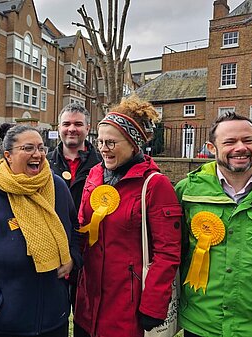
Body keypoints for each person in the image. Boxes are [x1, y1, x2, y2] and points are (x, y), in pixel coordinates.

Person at [0, 125, 81, 337]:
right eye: (28, 148)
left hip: (53, 318)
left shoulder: (57, 187)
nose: (37, 154)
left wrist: (73, 258)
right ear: (8, 156)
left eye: (41, 148)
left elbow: (75, 229)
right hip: (2, 324)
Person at [175, 112, 252, 337]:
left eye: (248, 140)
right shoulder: (187, 192)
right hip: (201, 324)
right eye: (229, 142)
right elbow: (172, 254)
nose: (241, 148)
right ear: (211, 147)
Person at [74, 96, 182, 337]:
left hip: (128, 307)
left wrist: (153, 305)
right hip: (88, 304)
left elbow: (168, 252)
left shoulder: (155, 185)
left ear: (134, 144)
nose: (103, 148)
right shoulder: (94, 174)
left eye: (111, 142)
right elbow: (83, 226)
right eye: (100, 141)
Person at [47, 103, 101, 317]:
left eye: (78, 124)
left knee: (86, 318)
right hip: (53, 251)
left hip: (90, 250)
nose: (72, 129)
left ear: (88, 128)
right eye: (66, 124)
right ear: (58, 127)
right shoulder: (43, 163)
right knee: (53, 316)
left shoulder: (103, 164)